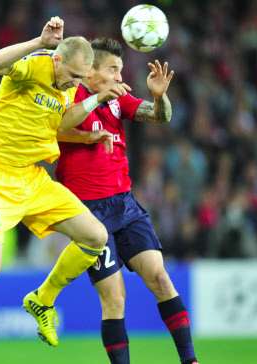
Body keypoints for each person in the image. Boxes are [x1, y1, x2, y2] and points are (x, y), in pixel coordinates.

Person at [0, 19, 131, 364]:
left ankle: (42, 299)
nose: (77, 83)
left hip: (33, 180)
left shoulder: (68, 85)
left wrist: (93, 104)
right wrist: (39, 41)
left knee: (95, 237)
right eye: (75, 76)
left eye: (83, 78)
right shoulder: (34, 65)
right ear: (57, 60)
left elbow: (62, 120)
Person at [56, 38, 199, 364]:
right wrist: (98, 100)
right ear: (90, 71)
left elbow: (160, 116)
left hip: (125, 205)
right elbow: (58, 125)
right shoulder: (69, 95)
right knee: (115, 299)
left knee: (160, 278)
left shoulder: (120, 102)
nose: (121, 77)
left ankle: (190, 360)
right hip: (89, 215)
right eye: (113, 69)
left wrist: (160, 97)